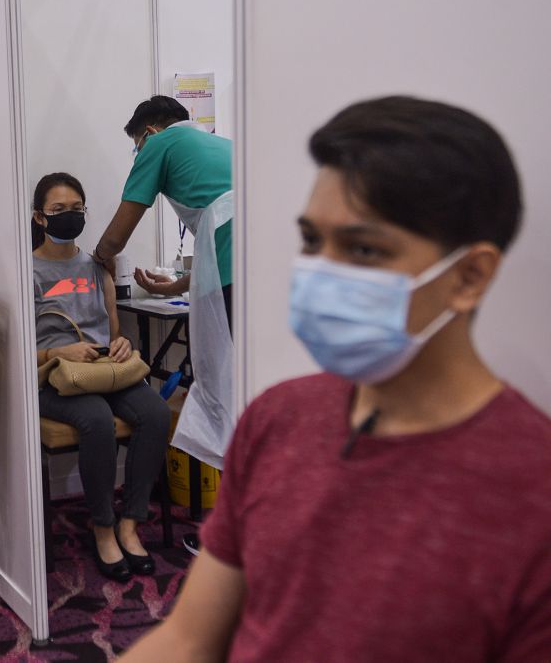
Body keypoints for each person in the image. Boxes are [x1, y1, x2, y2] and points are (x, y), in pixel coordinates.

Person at [119, 96, 551, 662]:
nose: (322, 272)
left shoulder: (530, 495)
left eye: (364, 248)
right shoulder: (278, 418)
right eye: (312, 241)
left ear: (470, 276)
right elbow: (187, 638)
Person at [94, 95, 234, 556]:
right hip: (260, 271)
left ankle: (234, 534)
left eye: (136, 144)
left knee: (231, 395)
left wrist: (95, 262)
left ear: (148, 133)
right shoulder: (220, 146)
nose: (139, 153)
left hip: (236, 271)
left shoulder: (160, 145)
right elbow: (224, 253)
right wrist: (174, 285)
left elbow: (116, 236)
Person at [32, 172, 170, 582]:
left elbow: (113, 329)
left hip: (102, 368)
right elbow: (17, 351)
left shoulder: (96, 266)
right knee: (95, 420)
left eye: (76, 209)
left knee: (156, 413)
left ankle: (131, 521)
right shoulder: (28, 271)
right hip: (54, 375)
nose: (69, 217)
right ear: (40, 217)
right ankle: (103, 526)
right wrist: (59, 350)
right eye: (59, 211)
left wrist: (122, 344)